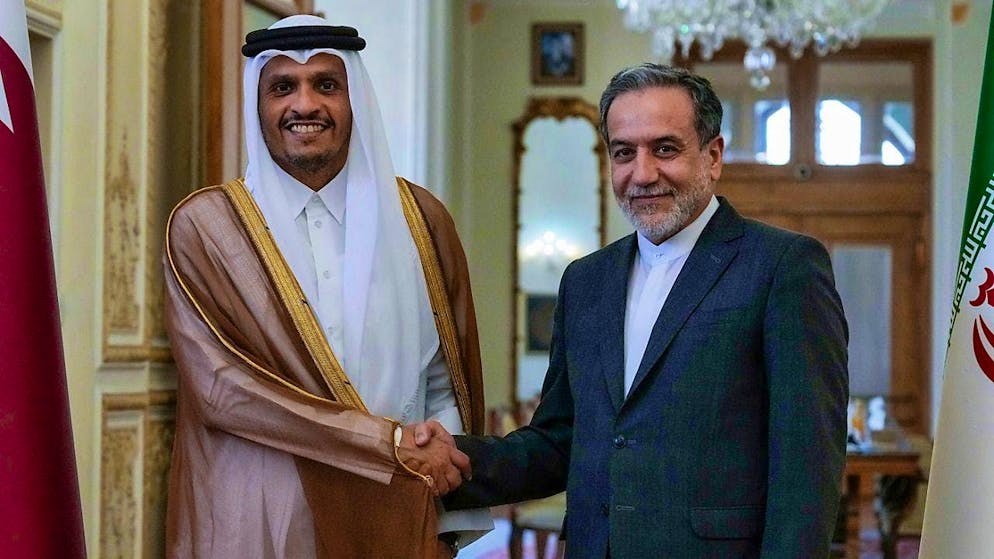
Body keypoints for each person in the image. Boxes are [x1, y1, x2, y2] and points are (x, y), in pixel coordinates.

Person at [429, 63, 850, 558]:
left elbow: (807, 464)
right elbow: (561, 440)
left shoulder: (783, 266)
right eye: (623, 153)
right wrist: (453, 458)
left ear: (713, 156)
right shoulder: (586, 281)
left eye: (665, 149)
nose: (642, 173)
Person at [163, 15, 490, 559]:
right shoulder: (206, 227)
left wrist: (437, 467)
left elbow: (444, 381)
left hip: (395, 512)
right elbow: (223, 390)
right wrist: (387, 445)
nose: (305, 105)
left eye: (326, 85)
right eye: (283, 87)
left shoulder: (422, 220)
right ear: (258, 104)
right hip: (260, 515)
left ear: (354, 98)